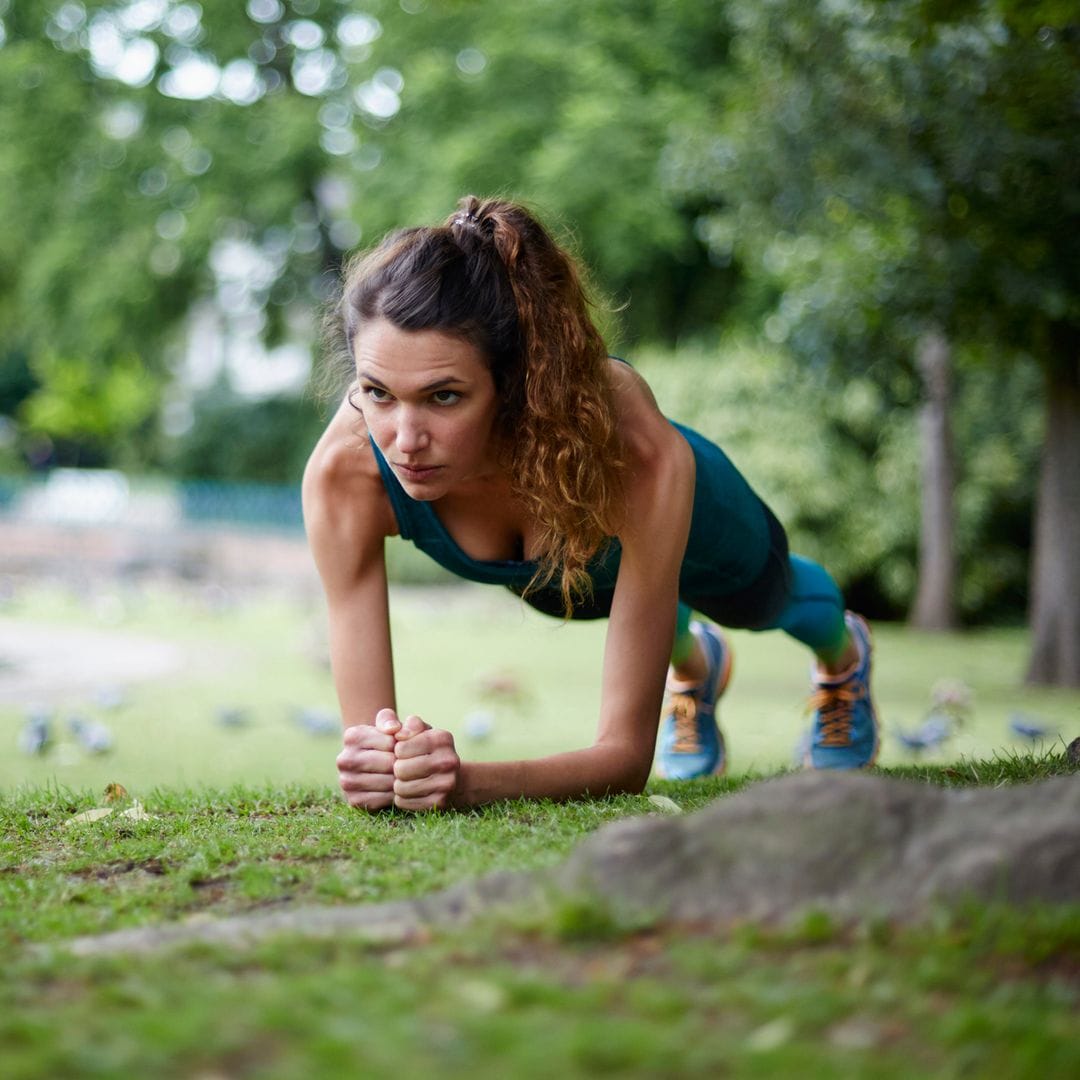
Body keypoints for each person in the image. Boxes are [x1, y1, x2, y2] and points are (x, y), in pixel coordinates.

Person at [303, 196, 879, 812]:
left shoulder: (638, 452)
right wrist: (380, 765)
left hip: (702, 524)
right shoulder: (347, 472)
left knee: (772, 600)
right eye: (377, 392)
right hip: (570, 580)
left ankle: (843, 658)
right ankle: (693, 666)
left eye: (444, 396)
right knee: (613, 604)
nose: (404, 440)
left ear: (518, 381)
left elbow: (625, 762)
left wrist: (465, 781)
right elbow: (369, 738)